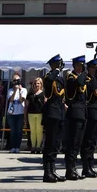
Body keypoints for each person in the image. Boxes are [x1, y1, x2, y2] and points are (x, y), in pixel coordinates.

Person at [42, 55, 66, 183]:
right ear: (52, 65)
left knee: (56, 144)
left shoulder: (60, 79)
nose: (59, 66)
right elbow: (49, 80)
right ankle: (47, 172)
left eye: (59, 64)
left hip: (60, 113)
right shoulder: (48, 77)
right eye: (56, 64)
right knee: (50, 144)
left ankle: (53, 170)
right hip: (51, 113)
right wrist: (56, 70)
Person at [65, 55, 88, 181]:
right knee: (72, 143)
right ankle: (69, 169)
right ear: (75, 66)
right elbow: (79, 83)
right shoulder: (71, 77)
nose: (82, 67)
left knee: (78, 143)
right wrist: (84, 73)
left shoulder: (81, 77)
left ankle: (73, 168)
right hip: (74, 113)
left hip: (82, 113)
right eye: (80, 65)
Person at [80, 58, 97, 178]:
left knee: (93, 141)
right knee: (88, 141)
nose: (95, 70)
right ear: (88, 68)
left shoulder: (96, 80)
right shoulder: (87, 81)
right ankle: (86, 167)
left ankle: (91, 166)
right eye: (93, 68)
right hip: (91, 112)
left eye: (96, 68)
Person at [6, 73, 27, 153]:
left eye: (17, 80)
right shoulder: (10, 90)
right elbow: (10, 100)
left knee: (19, 131)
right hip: (11, 114)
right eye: (14, 80)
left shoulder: (24, 90)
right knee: (13, 131)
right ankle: (13, 146)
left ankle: (17, 147)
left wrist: (19, 90)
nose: (16, 82)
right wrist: (15, 90)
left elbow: (22, 100)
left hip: (20, 113)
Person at [25, 77, 45, 153]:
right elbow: (26, 105)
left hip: (40, 114)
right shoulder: (30, 94)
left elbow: (45, 104)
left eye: (38, 83)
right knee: (33, 131)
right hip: (31, 114)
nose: (37, 85)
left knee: (39, 131)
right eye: (35, 83)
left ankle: (38, 147)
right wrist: (25, 117)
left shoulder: (43, 94)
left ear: (41, 84)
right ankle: (33, 147)